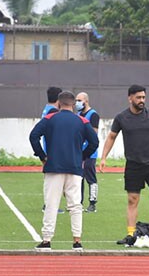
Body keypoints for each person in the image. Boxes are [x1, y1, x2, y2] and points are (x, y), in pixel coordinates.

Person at [99, 84, 149, 245]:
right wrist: (103, 157)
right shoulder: (121, 118)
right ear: (130, 98)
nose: (142, 100)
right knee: (132, 199)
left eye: (144, 97)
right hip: (133, 164)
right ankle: (131, 234)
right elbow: (111, 137)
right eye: (138, 97)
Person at [29, 91, 99, 250]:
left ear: (58, 104)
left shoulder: (49, 119)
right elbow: (94, 142)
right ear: (74, 104)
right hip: (75, 168)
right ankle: (77, 241)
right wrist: (82, 156)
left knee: (51, 204)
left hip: (53, 167)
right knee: (75, 205)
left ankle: (46, 240)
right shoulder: (82, 121)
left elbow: (33, 136)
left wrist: (42, 155)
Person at [40, 86, 63, 214]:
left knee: (50, 178)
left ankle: (49, 204)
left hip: (47, 148)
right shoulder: (53, 112)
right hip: (52, 149)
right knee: (53, 179)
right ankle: (49, 205)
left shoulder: (46, 109)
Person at [75, 92, 100, 213]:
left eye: (79, 100)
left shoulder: (93, 115)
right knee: (78, 177)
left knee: (90, 177)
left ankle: (92, 203)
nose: (77, 103)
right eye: (76, 100)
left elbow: (93, 135)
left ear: (86, 101)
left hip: (90, 152)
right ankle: (78, 202)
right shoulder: (78, 114)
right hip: (79, 151)